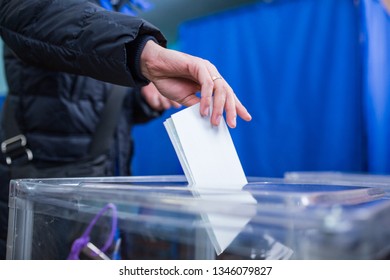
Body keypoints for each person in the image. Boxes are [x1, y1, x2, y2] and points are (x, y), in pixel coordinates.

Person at [0, 0, 252, 259]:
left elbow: (93, 109)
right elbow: (39, 14)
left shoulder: (117, 12)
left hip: (98, 189)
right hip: (38, 188)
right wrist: (143, 53)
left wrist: (142, 102)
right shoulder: (99, 19)